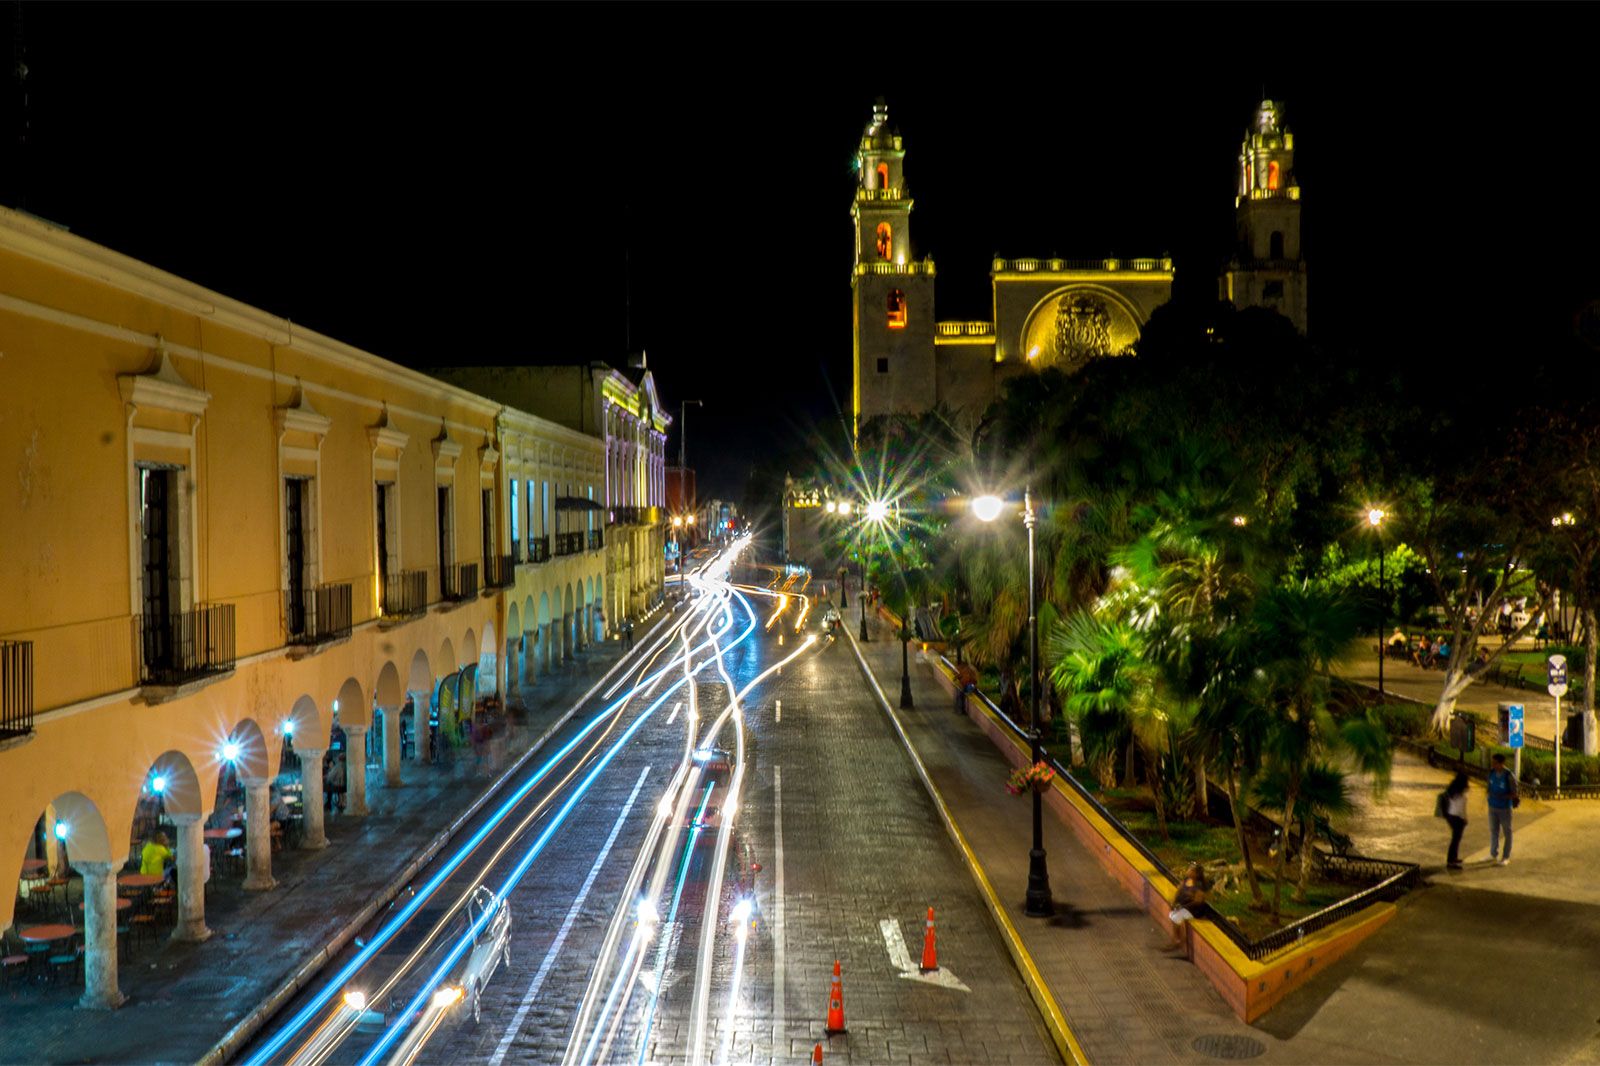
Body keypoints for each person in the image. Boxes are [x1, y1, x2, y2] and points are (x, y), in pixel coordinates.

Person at [1167, 862, 1209, 950]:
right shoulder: (1186, 880)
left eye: (1191, 870)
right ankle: (1176, 938)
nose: (1188, 871)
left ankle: (1178, 940)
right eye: (1189, 868)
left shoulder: (1199, 886)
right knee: (1173, 915)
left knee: (1177, 917)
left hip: (1193, 910)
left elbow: (1198, 901)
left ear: (1196, 874)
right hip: (1182, 907)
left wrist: (1183, 905)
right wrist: (1174, 902)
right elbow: (1179, 890)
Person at [1486, 753, 1519, 865]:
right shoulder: (1491, 773)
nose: (1493, 765)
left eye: (1495, 763)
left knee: (1507, 832)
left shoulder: (1508, 775)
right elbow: (1489, 787)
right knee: (1493, 830)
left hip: (1504, 808)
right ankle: (1493, 853)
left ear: (1501, 764)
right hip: (1492, 806)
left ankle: (1506, 856)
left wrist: (1504, 797)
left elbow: (1515, 793)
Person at [1440, 772, 1469, 869]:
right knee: (1456, 839)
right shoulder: (1461, 792)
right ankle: (1451, 860)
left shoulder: (1452, 789)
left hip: (1450, 815)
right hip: (1457, 817)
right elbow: (1461, 808)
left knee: (1455, 839)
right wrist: (1465, 818)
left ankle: (1453, 858)